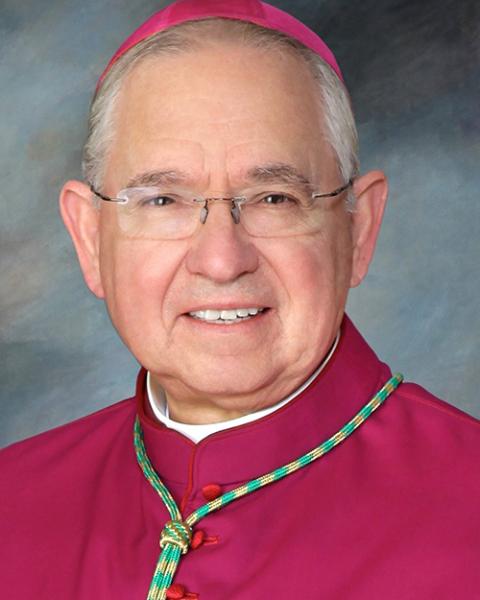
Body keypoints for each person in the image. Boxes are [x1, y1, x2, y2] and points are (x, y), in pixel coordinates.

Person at [1, 1, 479, 598]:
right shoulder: (10, 502)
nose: (223, 260)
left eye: (274, 198)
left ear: (359, 231)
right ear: (90, 239)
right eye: (163, 201)